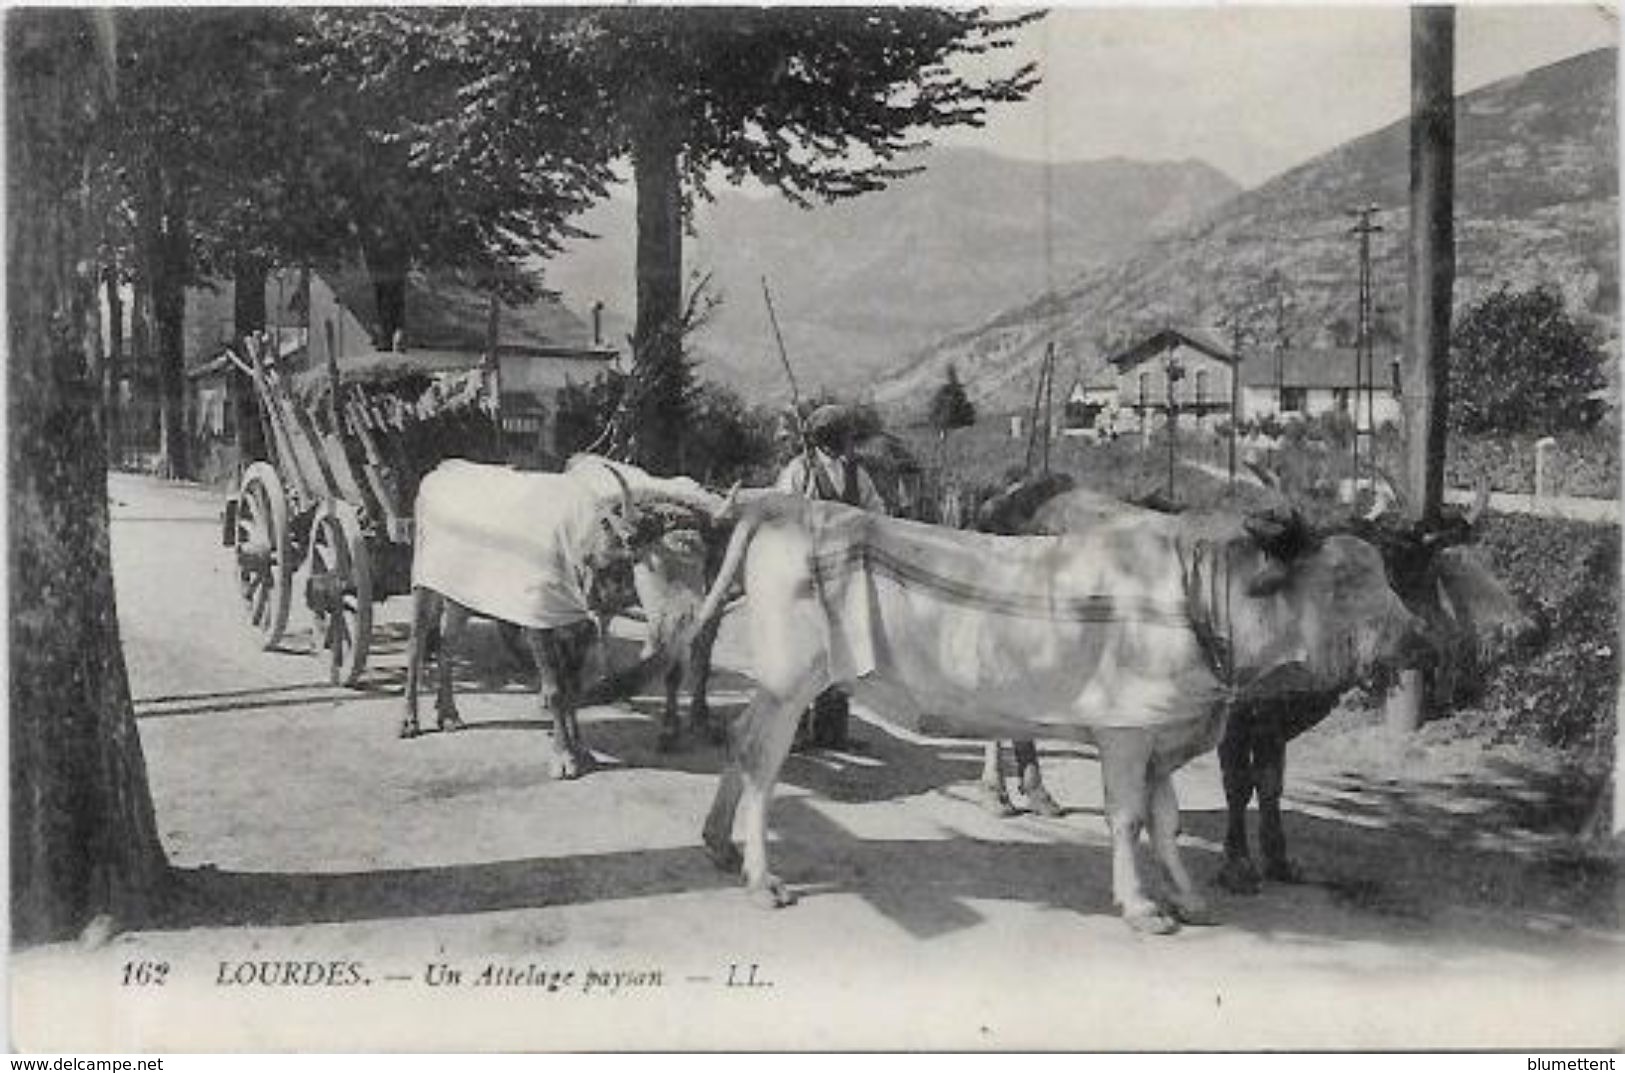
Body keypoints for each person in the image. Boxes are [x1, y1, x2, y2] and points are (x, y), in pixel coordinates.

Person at [775, 404, 887, 749]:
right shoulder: (799, 472)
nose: (848, 443)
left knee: (841, 653)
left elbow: (877, 512)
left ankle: (831, 732)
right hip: (807, 575)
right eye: (843, 436)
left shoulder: (857, 474)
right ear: (826, 438)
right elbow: (781, 517)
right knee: (804, 653)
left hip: (847, 576)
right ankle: (792, 731)